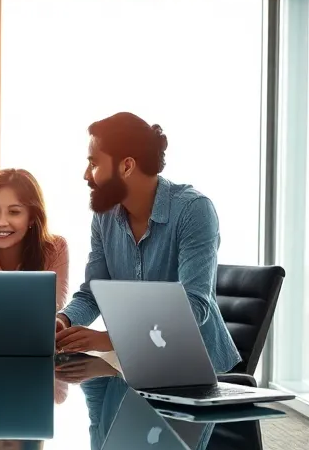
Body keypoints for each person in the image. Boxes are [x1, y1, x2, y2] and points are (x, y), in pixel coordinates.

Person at [55, 112, 241, 374]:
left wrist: (109, 339)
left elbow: (194, 306)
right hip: (136, 366)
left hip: (200, 371)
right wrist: (64, 320)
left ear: (126, 166)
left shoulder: (193, 210)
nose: (87, 175)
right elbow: (93, 293)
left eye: (94, 164)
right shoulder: (104, 216)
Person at [0, 168, 70, 309]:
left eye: (14, 212)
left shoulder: (55, 248)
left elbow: (54, 306)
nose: (2, 222)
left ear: (32, 218)